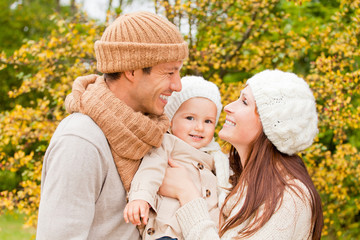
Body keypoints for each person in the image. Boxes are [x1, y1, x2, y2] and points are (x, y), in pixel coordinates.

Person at [36, 11, 188, 239]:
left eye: (179, 72)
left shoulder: (153, 132)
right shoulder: (81, 141)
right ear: (132, 70)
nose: (177, 85)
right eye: (169, 72)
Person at [159, 69, 324, 239]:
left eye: (244, 102)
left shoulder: (290, 199)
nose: (228, 107)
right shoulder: (229, 177)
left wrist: (187, 193)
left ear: (269, 124)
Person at [123, 76, 231, 240]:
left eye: (208, 121)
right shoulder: (167, 143)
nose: (199, 127)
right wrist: (140, 198)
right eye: (190, 118)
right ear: (171, 120)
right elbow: (150, 170)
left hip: (204, 230)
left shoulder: (216, 157)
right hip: (167, 231)